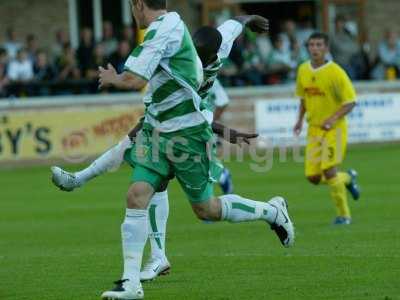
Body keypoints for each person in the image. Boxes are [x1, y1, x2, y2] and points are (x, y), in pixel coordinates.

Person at [54, 2, 294, 299]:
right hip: (159, 127)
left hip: (187, 134)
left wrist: (116, 78)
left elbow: (190, 109)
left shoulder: (197, 71)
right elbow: (232, 25)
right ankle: (132, 282)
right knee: (137, 193)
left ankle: (272, 211)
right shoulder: (205, 41)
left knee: (206, 210)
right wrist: (250, 18)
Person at [294, 32, 361, 226]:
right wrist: (299, 120)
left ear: (326, 48)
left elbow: (350, 102)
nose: (314, 48)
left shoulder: (336, 72)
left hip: (334, 129)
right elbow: (303, 98)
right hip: (314, 129)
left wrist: (332, 119)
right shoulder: (303, 70)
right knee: (313, 177)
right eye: (311, 45)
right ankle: (348, 179)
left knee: (329, 171)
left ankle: (344, 215)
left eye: (319, 45)